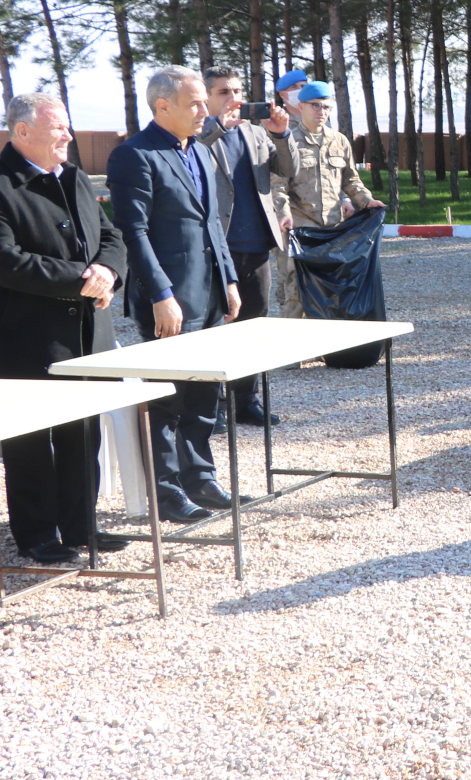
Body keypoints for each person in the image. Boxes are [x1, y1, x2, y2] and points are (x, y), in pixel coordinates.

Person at [107, 65, 243, 523]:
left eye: (205, 101)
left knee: (204, 396)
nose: (206, 110)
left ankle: (200, 478)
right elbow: (133, 231)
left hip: (208, 294)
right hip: (168, 301)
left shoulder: (199, 150)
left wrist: (228, 280)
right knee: (166, 401)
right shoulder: (134, 155)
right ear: (163, 106)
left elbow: (212, 223)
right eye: (195, 103)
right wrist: (161, 294)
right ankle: (166, 493)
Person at [0, 93, 127, 564]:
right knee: (30, 441)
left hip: (88, 334)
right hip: (28, 337)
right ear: (23, 131)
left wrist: (108, 272)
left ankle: (80, 526)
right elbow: (7, 261)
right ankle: (36, 534)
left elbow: (110, 235)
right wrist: (82, 281)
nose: (69, 136)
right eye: (58, 128)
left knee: (83, 434)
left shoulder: (72, 176)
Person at [199, 66, 289, 424]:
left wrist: (281, 134)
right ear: (206, 97)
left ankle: (246, 400)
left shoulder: (254, 131)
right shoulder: (199, 131)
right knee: (214, 327)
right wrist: (218, 126)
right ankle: (215, 406)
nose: (233, 98)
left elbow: (287, 169)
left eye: (237, 91)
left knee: (253, 325)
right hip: (215, 246)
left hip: (256, 245)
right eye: (223, 92)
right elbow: (191, 152)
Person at [269, 81, 383, 317]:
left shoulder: (338, 141)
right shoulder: (288, 141)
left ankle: (325, 339)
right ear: (301, 107)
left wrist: (367, 201)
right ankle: (291, 340)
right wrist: (283, 213)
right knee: (295, 290)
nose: (321, 112)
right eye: (315, 106)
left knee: (331, 290)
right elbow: (278, 185)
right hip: (299, 228)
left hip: (332, 229)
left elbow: (350, 180)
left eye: (326, 107)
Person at [270, 69, 308, 311]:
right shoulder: (274, 127)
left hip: (316, 217)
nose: (302, 90)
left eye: (305, 85)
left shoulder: (315, 123)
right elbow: (274, 179)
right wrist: (282, 212)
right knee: (290, 282)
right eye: (297, 87)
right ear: (284, 95)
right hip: (289, 218)